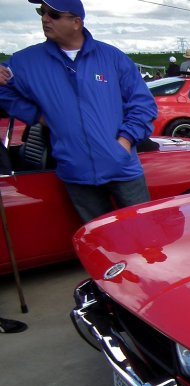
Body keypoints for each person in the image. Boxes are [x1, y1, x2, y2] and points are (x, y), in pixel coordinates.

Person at [0, 0, 158, 223]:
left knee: (143, 235)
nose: (45, 18)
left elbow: (143, 104)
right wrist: (37, 116)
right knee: (98, 243)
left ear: (76, 22)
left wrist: (124, 143)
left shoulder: (111, 58)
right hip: (76, 172)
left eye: (53, 14)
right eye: (42, 12)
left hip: (123, 169)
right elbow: (3, 93)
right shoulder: (25, 63)